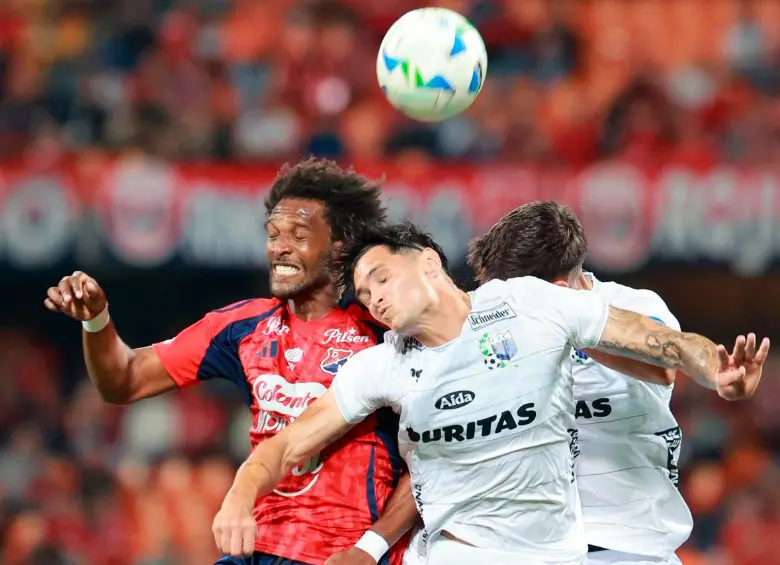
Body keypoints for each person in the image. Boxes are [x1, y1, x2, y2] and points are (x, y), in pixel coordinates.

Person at [212, 221, 768, 565]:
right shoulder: (380, 367)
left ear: (429, 262)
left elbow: (659, 343)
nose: (373, 297)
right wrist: (240, 493)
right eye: (363, 292)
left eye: (381, 277)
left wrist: (716, 371)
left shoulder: (527, 306)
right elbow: (286, 445)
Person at [43, 158, 416, 565]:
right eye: (273, 234)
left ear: (340, 246)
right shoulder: (243, 327)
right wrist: (96, 319)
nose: (280, 247)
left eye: (298, 235)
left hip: (341, 554)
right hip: (256, 548)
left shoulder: (386, 334)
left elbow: (435, 461)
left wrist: (371, 547)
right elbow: (125, 380)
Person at [466, 201, 768, 565]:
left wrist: (719, 375)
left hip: (629, 548)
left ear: (557, 289)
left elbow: (667, 363)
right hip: (529, 547)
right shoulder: (498, 327)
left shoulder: (634, 305)